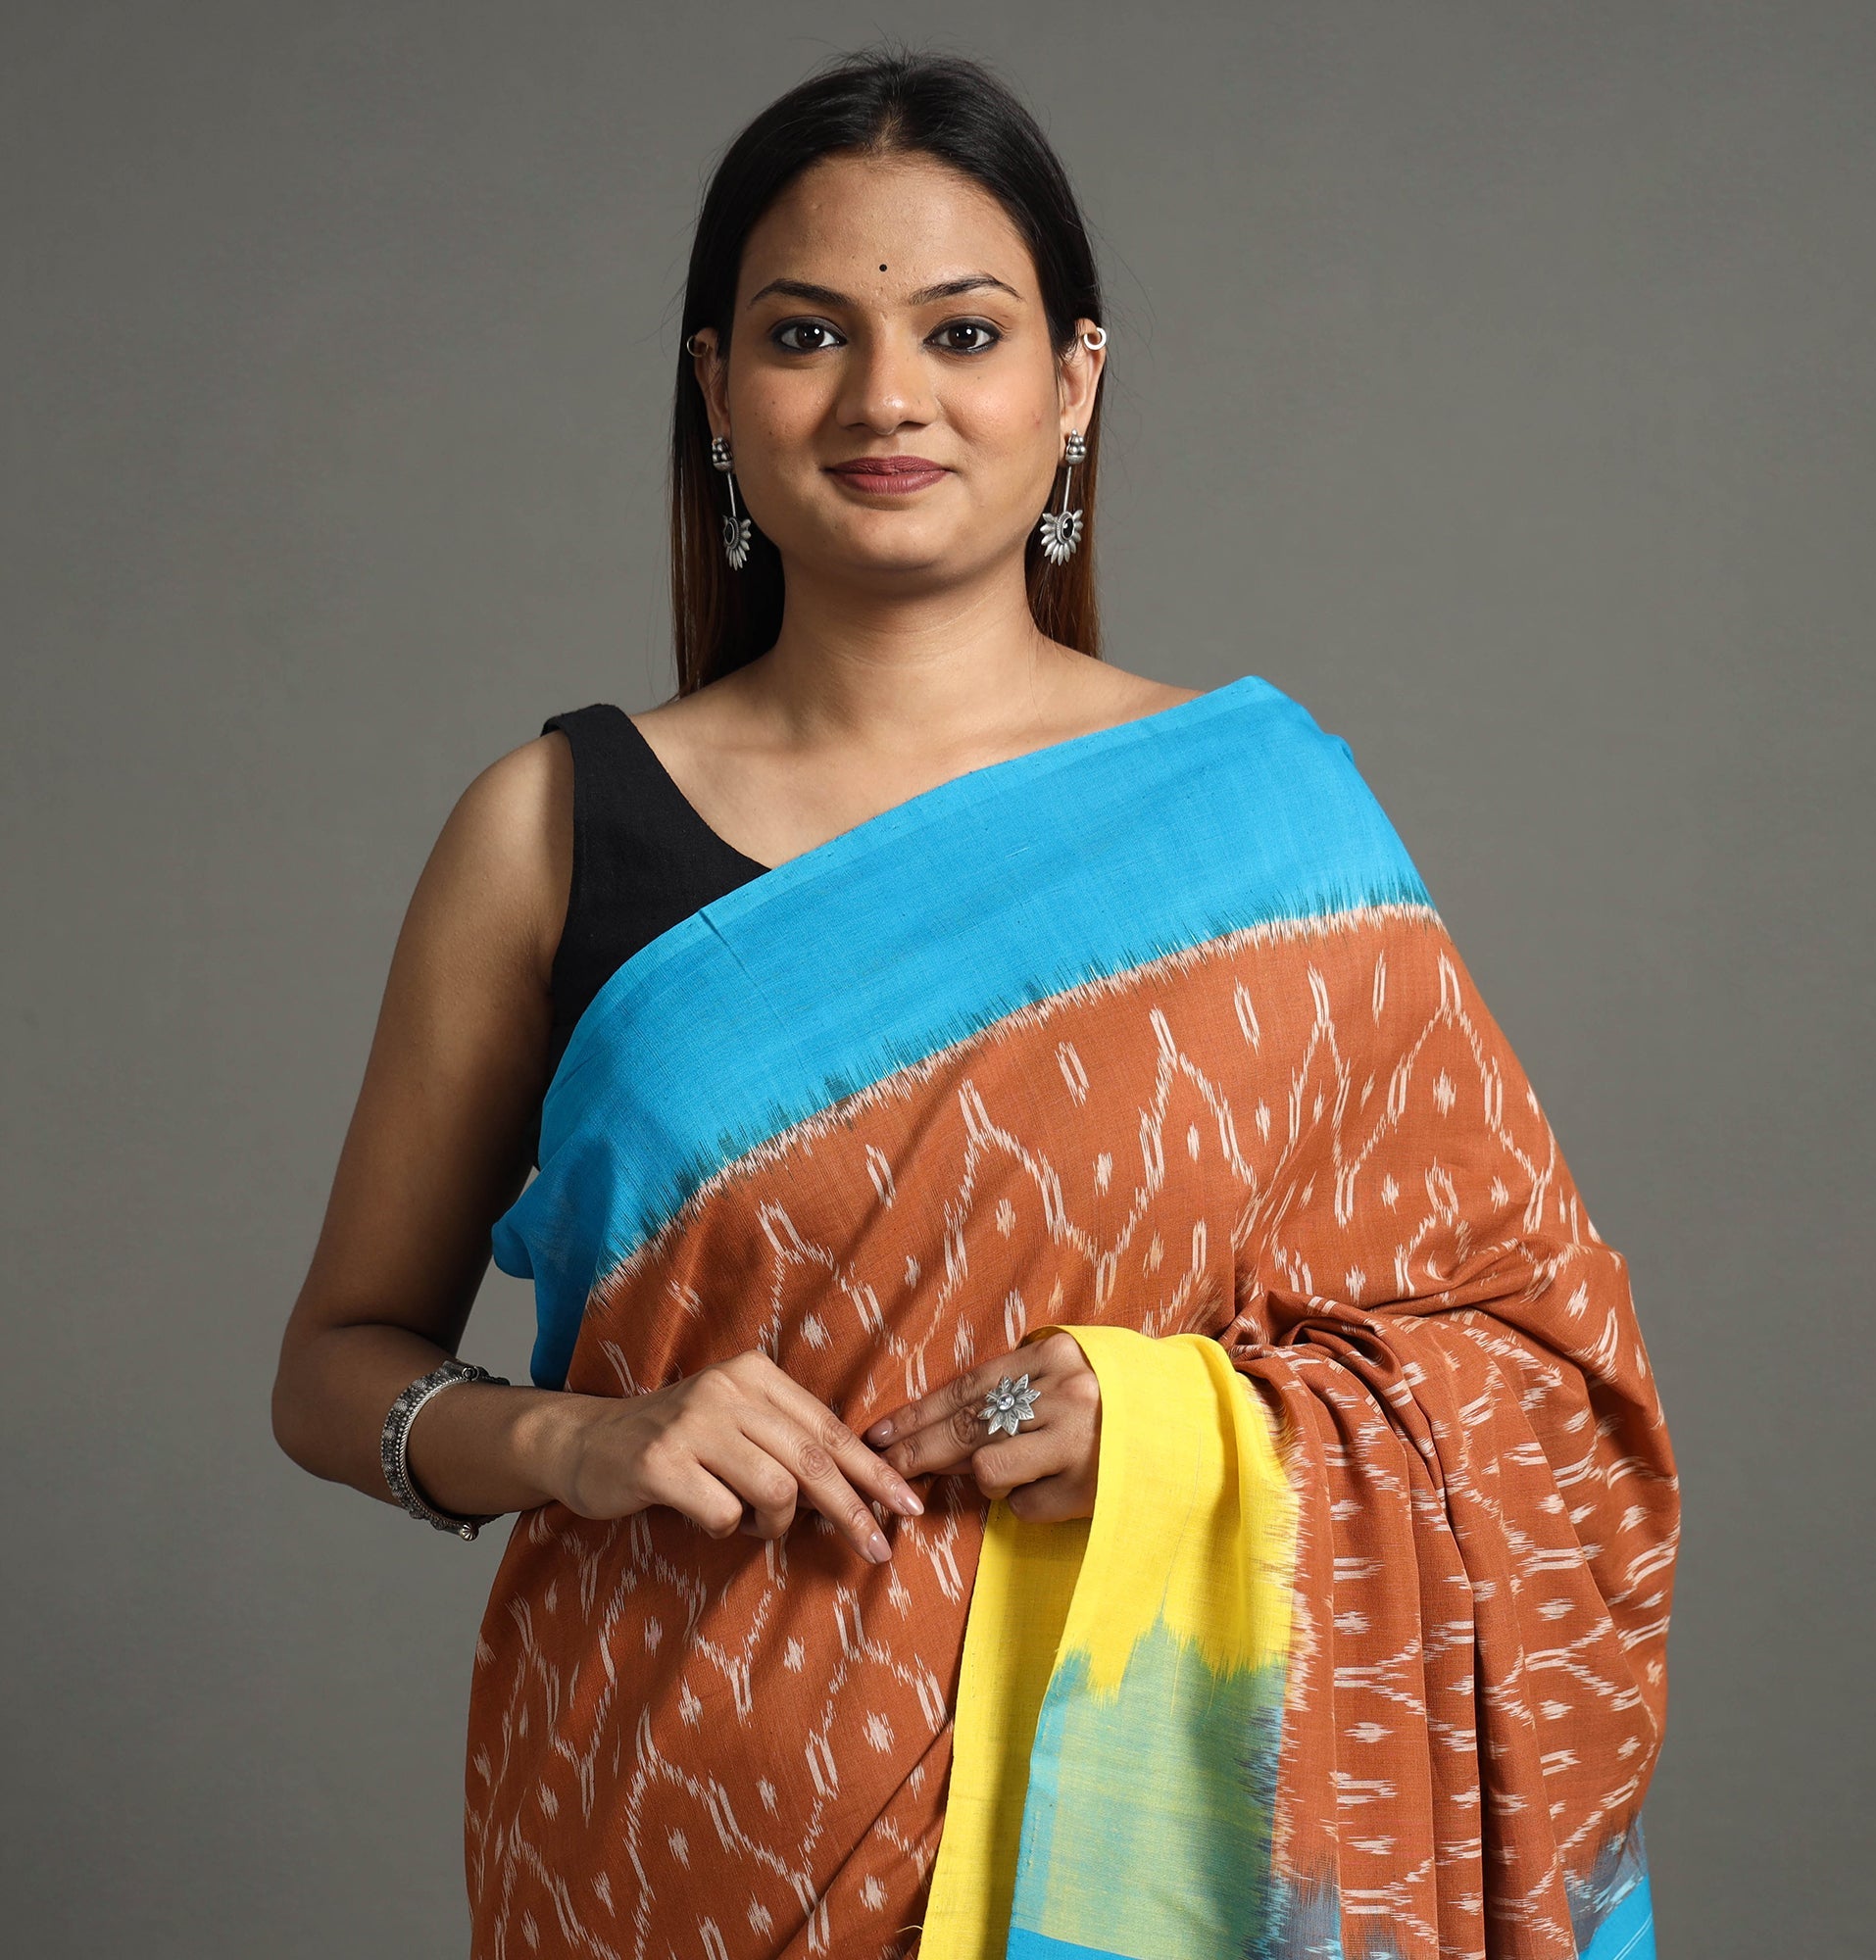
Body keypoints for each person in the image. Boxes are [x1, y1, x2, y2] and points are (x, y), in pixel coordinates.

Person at [271, 46, 1678, 1960]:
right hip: (666, 1841)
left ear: (1072, 382)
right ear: (716, 391)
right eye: (807, 336)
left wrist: (1172, 1426)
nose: (886, 397)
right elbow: (335, 1362)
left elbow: (1543, 1378)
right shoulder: (550, 830)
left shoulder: (1266, 823)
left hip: (1158, 1854)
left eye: (961, 331)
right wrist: (572, 1443)